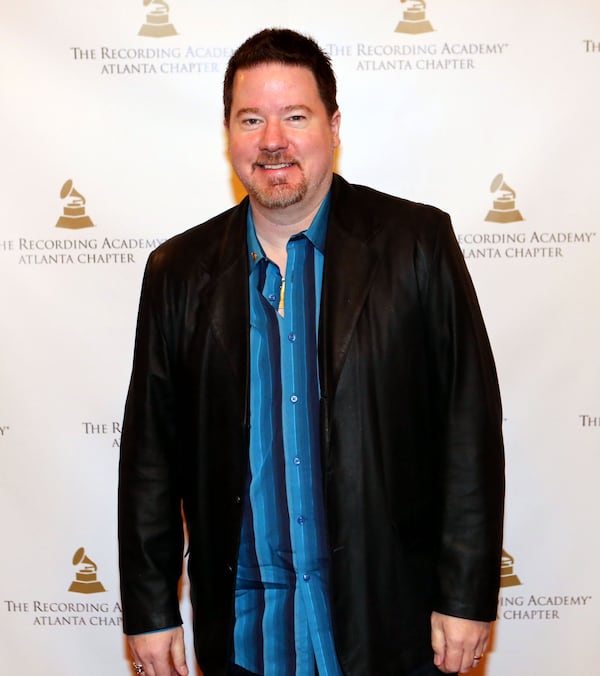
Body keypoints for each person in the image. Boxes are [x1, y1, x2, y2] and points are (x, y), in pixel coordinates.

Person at [118, 27, 505, 676]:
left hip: (389, 629)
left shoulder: (417, 245)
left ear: (333, 125)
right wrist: (150, 607)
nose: (273, 140)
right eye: (251, 119)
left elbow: (467, 428)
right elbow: (150, 454)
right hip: (245, 639)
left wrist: (465, 594)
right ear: (228, 134)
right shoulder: (176, 271)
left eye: (295, 116)